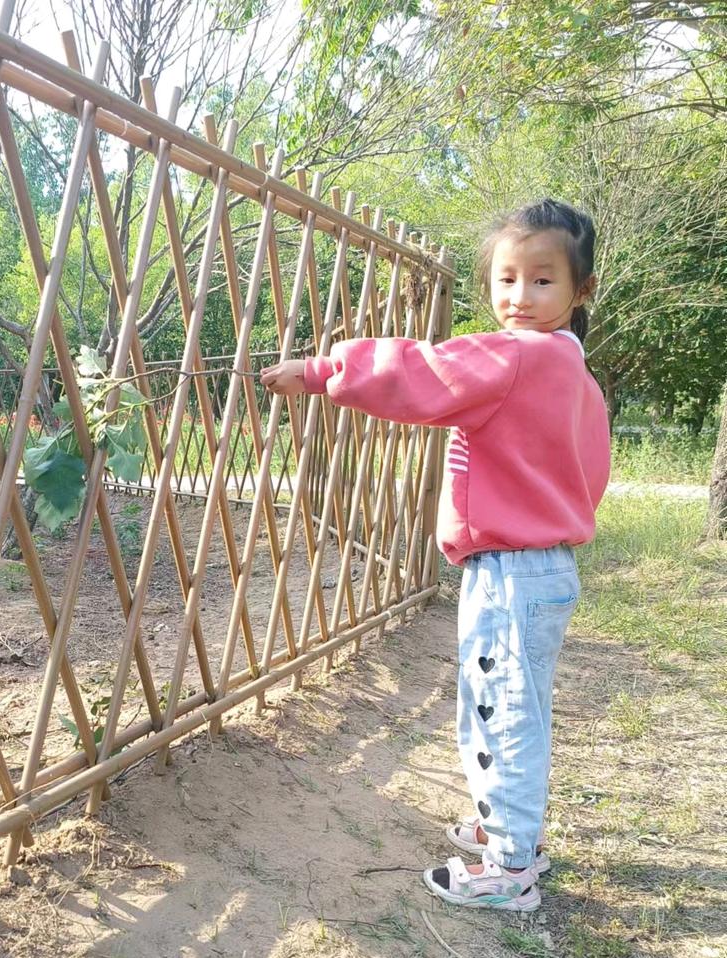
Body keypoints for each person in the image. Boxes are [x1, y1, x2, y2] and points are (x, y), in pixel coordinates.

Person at [261, 198, 610, 913]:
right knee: (508, 705)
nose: (518, 297)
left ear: (581, 291)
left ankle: (512, 867)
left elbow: (424, 374)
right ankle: (501, 826)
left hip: (513, 571)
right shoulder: (578, 378)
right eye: (506, 277)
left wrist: (327, 371)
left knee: (503, 712)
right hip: (543, 568)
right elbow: (589, 474)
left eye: (542, 281)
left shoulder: (516, 355)